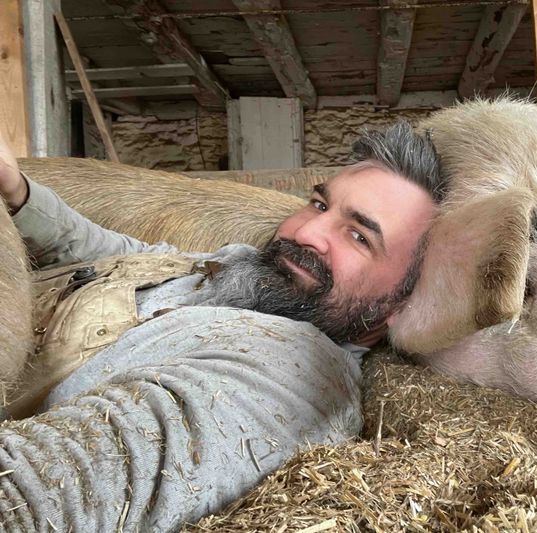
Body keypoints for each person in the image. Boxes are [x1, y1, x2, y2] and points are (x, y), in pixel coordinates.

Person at [0, 122, 444, 531]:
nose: (305, 232)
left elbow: (37, 493)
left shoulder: (285, 377)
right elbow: (132, 257)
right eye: (319, 204)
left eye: (360, 236)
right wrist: (18, 192)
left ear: (403, 307)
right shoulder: (246, 272)